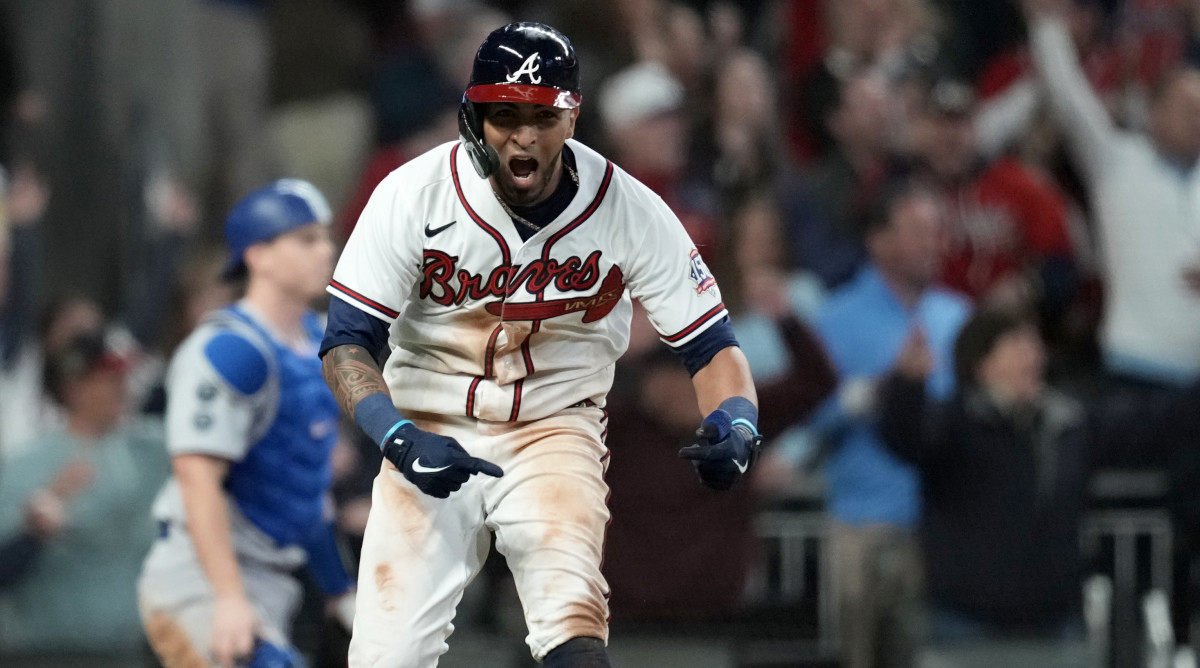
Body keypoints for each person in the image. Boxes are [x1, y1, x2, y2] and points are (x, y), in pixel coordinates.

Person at [319, 22, 762, 668]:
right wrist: (395, 435)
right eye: (505, 113)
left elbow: (711, 343)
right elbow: (345, 343)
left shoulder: (628, 208)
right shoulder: (413, 195)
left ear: (574, 116)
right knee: (386, 659)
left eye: (543, 115)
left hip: (553, 428)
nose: (524, 134)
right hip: (428, 423)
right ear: (473, 115)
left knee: (573, 630)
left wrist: (738, 416)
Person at [137, 179, 355, 668]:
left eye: (325, 236)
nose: (326, 249)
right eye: (306, 239)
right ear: (259, 255)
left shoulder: (320, 340)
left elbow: (305, 488)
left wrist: (340, 590)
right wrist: (229, 599)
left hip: (277, 579)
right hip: (203, 579)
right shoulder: (231, 349)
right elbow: (197, 477)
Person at [805, 179, 972, 668]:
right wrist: (874, 393)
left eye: (936, 230)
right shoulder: (836, 318)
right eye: (918, 230)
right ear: (878, 241)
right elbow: (812, 419)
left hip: (944, 529)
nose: (932, 242)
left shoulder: (958, 318)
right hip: (862, 523)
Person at [876, 307, 1089, 644]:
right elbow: (905, 439)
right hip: (966, 621)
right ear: (982, 361)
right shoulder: (952, 423)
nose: (1033, 355)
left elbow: (1147, 426)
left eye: (1035, 345)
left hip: (1054, 620)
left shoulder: (1064, 424)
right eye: (1017, 344)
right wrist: (907, 385)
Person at [0, 330, 168, 668]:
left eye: (122, 376)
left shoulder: (151, 450)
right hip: (44, 655)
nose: (120, 386)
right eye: (106, 377)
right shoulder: (27, 464)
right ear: (72, 385)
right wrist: (34, 531)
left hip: (128, 654)